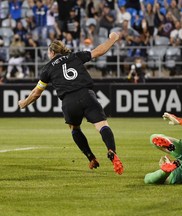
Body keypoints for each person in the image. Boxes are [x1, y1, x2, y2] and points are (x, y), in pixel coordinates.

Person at [18, 32, 124, 175]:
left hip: (69, 102)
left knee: (75, 128)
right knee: (102, 126)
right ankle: (112, 151)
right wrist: (113, 39)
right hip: (87, 95)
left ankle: (91, 158)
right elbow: (99, 51)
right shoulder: (75, 56)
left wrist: (24, 103)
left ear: (51, 52)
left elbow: (37, 93)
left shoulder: (47, 69)